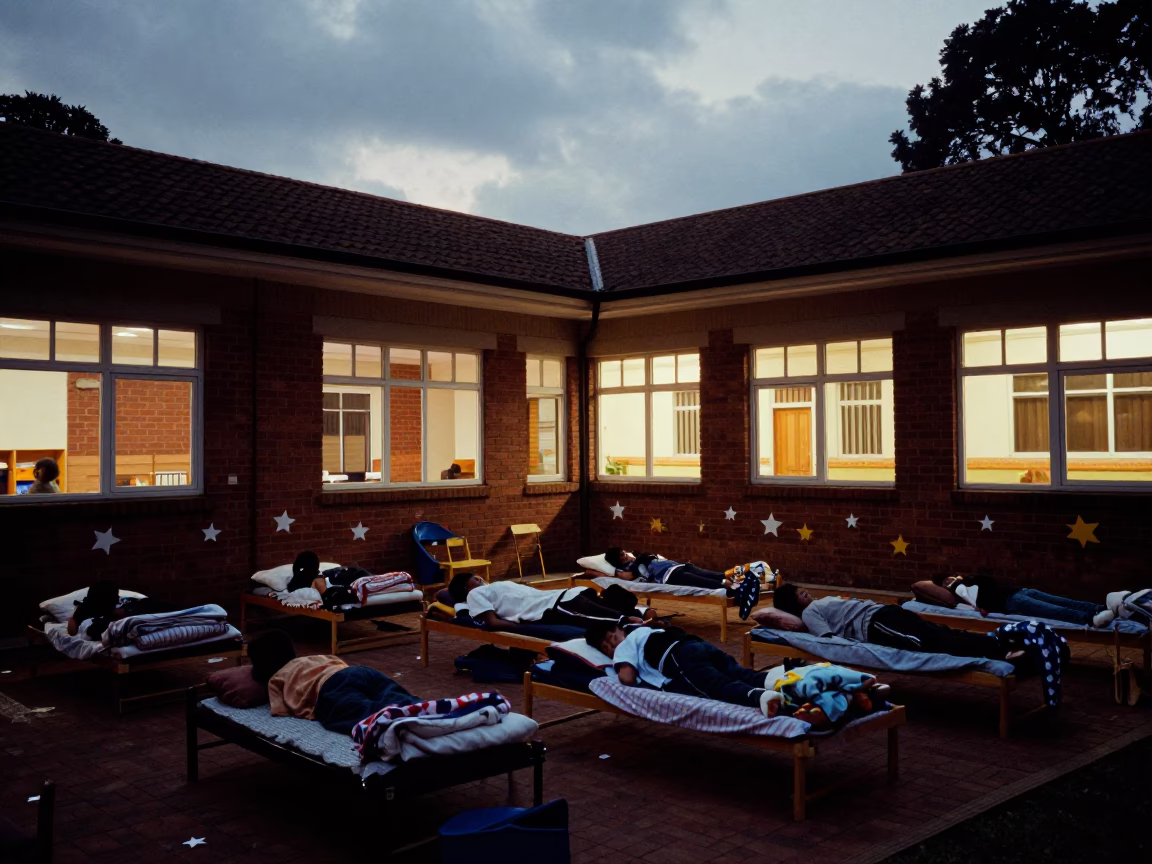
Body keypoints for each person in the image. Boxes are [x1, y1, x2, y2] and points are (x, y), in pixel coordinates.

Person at [587, 623, 884, 727]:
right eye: (606, 646)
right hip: (698, 645)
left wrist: (616, 662)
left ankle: (763, 698)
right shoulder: (648, 630)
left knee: (715, 687)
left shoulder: (626, 645)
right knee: (744, 673)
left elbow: (626, 678)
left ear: (619, 632)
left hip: (678, 659)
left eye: (611, 638)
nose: (612, 645)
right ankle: (843, 679)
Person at [772, 583, 1016, 660]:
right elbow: (827, 639)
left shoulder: (817, 604)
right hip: (875, 624)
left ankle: (996, 641)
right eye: (803, 595)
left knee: (938, 630)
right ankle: (998, 650)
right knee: (931, 641)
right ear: (795, 604)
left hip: (885, 612)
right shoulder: (809, 614)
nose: (809, 595)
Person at [249, 630, 419, 734]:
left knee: (357, 715)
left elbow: (280, 710)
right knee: (392, 694)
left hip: (332, 685)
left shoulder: (278, 677)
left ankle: (401, 723)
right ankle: (423, 708)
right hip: (356, 671)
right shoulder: (312, 658)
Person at [447, 572, 655, 631]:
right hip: (554, 606)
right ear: (467, 587)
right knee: (605, 616)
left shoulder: (497, 585)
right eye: (475, 578)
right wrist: (518, 627)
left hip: (566, 594)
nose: (481, 578)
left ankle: (638, 613)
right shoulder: (474, 595)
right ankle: (633, 620)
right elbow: (491, 622)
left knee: (614, 594)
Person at [601, 548, 764, 619]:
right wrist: (606, 572)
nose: (626, 557)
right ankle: (744, 593)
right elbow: (628, 576)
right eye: (622, 557)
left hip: (681, 566)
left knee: (718, 577)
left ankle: (744, 590)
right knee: (709, 583)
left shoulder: (639, 556)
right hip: (672, 576)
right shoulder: (632, 566)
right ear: (618, 563)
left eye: (624, 554)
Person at [912, 574, 1114, 628]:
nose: (950, 583)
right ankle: (1090, 618)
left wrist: (964, 580)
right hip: (1013, 603)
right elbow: (969, 606)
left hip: (1019, 592)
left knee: (1062, 601)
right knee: (1055, 611)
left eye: (950, 579)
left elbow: (988, 581)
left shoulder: (970, 580)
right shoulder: (957, 591)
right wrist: (955, 586)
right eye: (945, 583)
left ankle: (1099, 608)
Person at [66, 580, 179, 639]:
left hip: (134, 607)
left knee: (153, 605)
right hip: (128, 616)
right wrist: (73, 618)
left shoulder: (121, 601)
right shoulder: (87, 609)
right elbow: (73, 630)